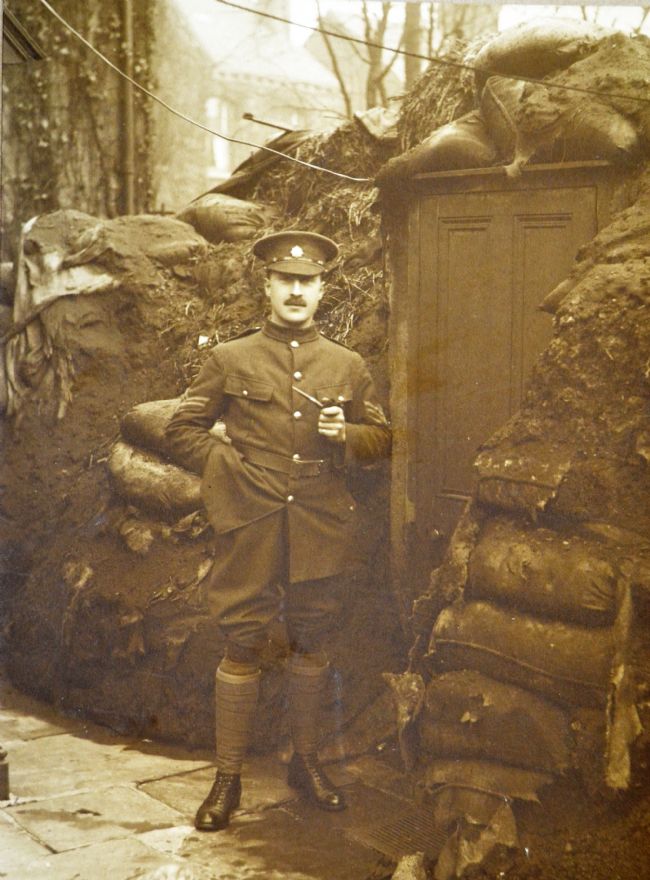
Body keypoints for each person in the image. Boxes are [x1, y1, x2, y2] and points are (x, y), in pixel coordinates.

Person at [165, 230, 391, 832]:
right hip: (252, 520)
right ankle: (228, 778)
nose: (295, 290)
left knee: (312, 639)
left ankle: (306, 763)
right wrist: (227, 475)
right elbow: (183, 428)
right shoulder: (230, 359)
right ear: (266, 286)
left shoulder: (347, 365)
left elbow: (383, 438)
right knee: (242, 641)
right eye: (284, 280)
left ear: (322, 289)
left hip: (321, 520)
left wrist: (348, 437)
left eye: (307, 281)